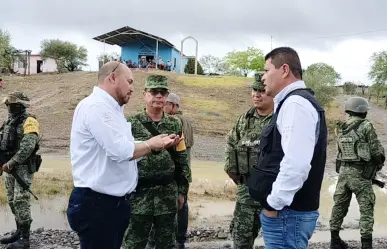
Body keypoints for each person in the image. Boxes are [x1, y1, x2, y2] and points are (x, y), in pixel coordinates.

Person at [66, 62, 178, 249]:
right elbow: (121, 151)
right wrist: (151, 145)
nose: (132, 88)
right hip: (98, 205)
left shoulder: (112, 110)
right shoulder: (96, 107)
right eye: (129, 81)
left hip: (111, 204)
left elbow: (124, 147)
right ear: (112, 78)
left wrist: (155, 144)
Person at [246, 47, 327, 249]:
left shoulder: (296, 104)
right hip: (289, 213)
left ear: (284, 70)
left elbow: (296, 164)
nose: (263, 78)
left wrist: (274, 203)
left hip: (287, 214)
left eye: (266, 70)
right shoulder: (293, 102)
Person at [123, 75, 191, 249]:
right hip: (138, 195)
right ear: (145, 94)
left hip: (167, 195)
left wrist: (182, 191)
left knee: (166, 244)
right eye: (154, 92)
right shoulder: (130, 123)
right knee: (133, 243)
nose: (159, 96)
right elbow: (122, 157)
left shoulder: (175, 124)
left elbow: (182, 159)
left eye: (163, 93)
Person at [225, 73, 273, 249]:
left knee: (276, 241)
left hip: (273, 194)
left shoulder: (280, 119)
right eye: (254, 90)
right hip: (246, 194)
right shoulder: (244, 119)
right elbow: (230, 145)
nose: (256, 94)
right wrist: (236, 175)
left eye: (261, 90)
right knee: (241, 241)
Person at [329, 97, 385, 249]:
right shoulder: (366, 125)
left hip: (343, 173)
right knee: (366, 209)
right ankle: (366, 245)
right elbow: (375, 151)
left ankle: (334, 241)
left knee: (339, 207)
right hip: (360, 174)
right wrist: (380, 161)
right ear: (362, 110)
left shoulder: (341, 126)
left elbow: (339, 152)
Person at [146, 92, 194, 249]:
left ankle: (176, 240)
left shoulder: (176, 121)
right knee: (182, 205)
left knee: (177, 207)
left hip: (175, 173)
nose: (162, 105)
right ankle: (179, 240)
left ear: (173, 106)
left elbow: (178, 151)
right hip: (182, 172)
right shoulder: (185, 121)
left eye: (166, 103)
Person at [0, 91, 41, 249]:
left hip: (22, 167)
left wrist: (12, 163)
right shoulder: (9, 121)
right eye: (8, 105)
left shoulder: (29, 121)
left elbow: (28, 146)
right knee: (11, 200)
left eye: (12, 104)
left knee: (21, 200)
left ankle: (25, 238)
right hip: (8, 167)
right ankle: (18, 231)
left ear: (20, 105)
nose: (9, 107)